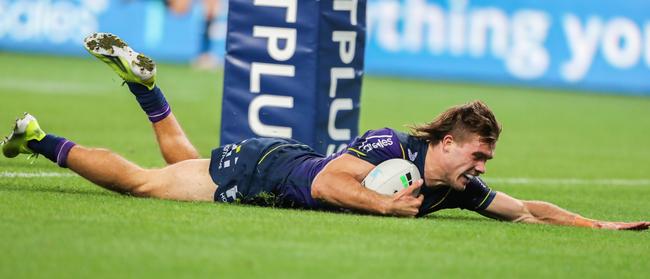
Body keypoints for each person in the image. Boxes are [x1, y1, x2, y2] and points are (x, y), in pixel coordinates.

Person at [2, 33, 648, 231]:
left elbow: (527, 209)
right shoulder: (389, 146)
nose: (484, 163)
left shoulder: (450, 183)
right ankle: (37, 137)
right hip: (268, 171)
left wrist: (597, 226)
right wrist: (384, 203)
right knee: (145, 184)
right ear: (446, 141)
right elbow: (333, 180)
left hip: (260, 160)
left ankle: (146, 88)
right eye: (479, 151)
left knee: (186, 165)